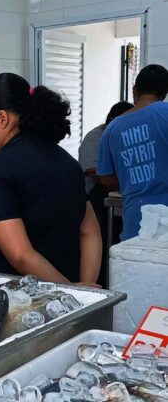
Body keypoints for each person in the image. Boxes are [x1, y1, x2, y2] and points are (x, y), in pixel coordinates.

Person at [0, 73, 102, 285]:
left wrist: (71, 292)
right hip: (67, 289)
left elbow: (21, 255)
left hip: (18, 300)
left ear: (2, 119)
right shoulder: (67, 162)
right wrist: (85, 289)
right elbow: (90, 232)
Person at [97, 64, 168, 241]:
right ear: (164, 93)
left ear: (134, 90)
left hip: (136, 224)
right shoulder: (165, 113)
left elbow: (106, 178)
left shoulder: (112, 128)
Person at [78, 101, 132, 287]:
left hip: (115, 194)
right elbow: (95, 171)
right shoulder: (95, 137)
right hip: (93, 197)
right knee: (102, 236)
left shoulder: (121, 135)